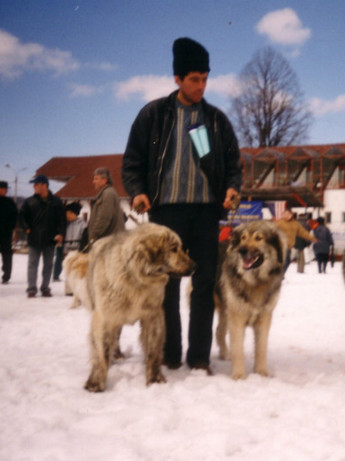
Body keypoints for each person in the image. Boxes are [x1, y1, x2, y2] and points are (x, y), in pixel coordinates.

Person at [121, 37, 242, 373]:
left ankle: (199, 357)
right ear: (177, 79)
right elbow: (132, 161)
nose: (201, 86)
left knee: (203, 283)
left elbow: (232, 164)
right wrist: (138, 191)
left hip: (205, 212)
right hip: (166, 212)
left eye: (205, 78)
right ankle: (170, 353)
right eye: (194, 79)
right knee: (168, 284)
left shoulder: (215, 120)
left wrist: (232, 187)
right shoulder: (154, 115)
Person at [19, 175, 66, 298]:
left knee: (48, 265)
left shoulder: (56, 201)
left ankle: (45, 288)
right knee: (32, 264)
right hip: (34, 238)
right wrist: (27, 229)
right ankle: (31, 289)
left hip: (50, 238)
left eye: (36, 184)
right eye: (34, 185)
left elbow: (62, 219)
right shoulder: (29, 201)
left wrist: (61, 233)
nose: (34, 187)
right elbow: (22, 216)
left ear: (44, 185)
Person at [87, 167, 125, 244]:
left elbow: (104, 217)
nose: (93, 182)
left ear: (104, 180)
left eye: (96, 179)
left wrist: (94, 235)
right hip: (108, 240)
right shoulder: (106, 193)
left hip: (108, 241)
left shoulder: (108, 194)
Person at [53, 202, 87, 282]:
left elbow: (84, 235)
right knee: (59, 261)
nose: (68, 215)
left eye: (70, 213)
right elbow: (58, 232)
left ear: (76, 214)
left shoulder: (82, 224)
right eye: (67, 213)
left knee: (74, 264)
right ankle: (56, 275)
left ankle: (74, 278)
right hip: (64, 246)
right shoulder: (64, 223)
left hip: (76, 246)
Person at [276, 209, 316, 275]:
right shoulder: (279, 223)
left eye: (288, 214)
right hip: (280, 245)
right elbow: (272, 230)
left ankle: (280, 275)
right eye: (285, 214)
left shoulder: (295, 223)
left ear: (291, 215)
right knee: (284, 260)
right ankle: (279, 275)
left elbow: (303, 232)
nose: (286, 216)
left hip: (289, 245)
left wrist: (312, 238)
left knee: (287, 261)